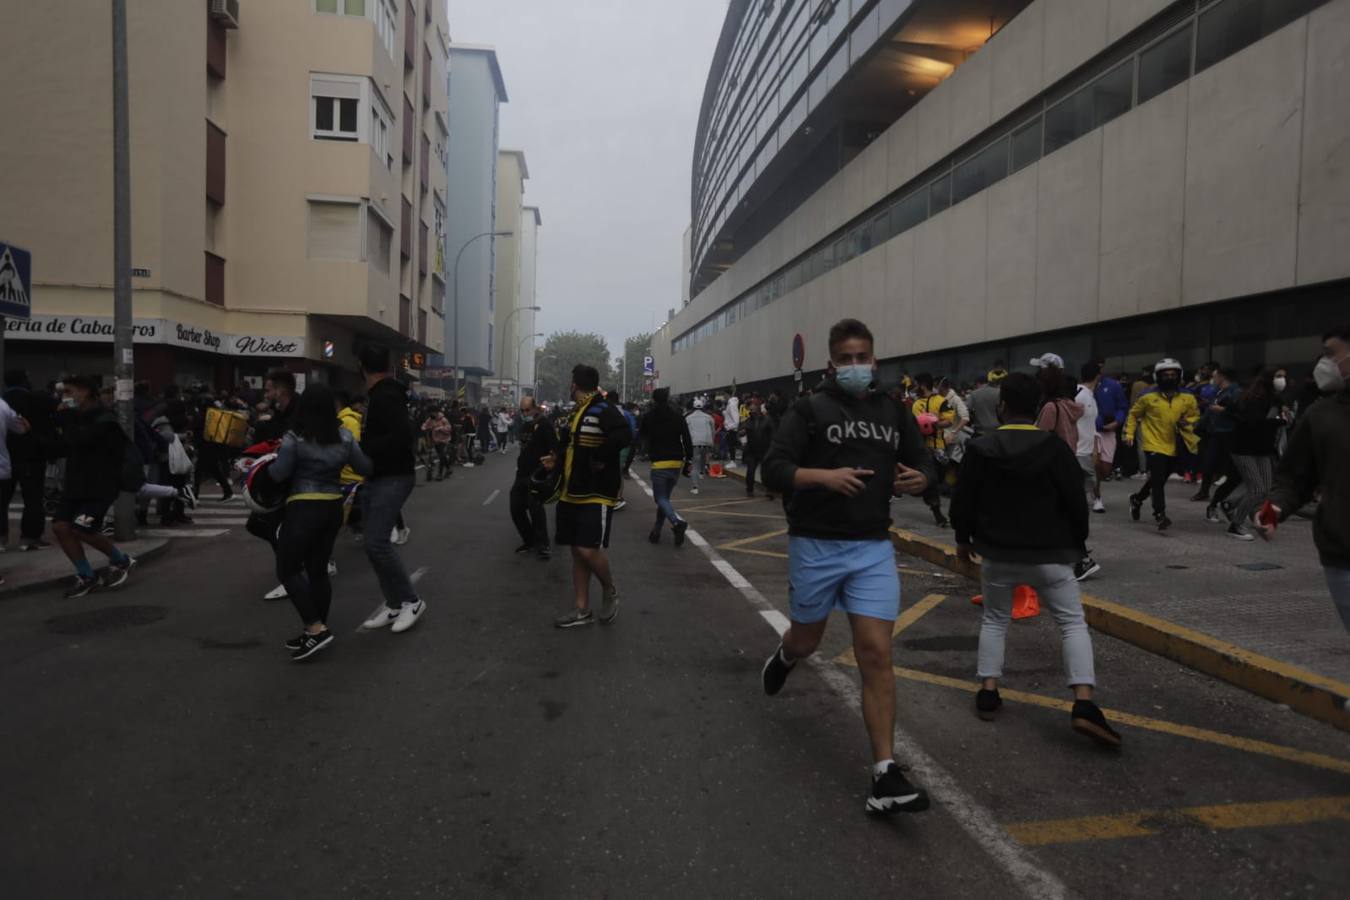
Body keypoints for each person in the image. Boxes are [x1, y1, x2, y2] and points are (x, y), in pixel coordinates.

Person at [759, 318, 936, 816]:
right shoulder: (809, 409)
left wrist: (922, 478)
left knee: (876, 654)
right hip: (815, 546)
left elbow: (927, 462)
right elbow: (774, 468)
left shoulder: (894, 411)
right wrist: (823, 477)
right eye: (847, 359)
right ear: (831, 364)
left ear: (875, 361)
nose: (856, 366)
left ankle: (884, 775)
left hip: (871, 548)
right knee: (807, 640)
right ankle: (787, 656)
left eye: (864, 358)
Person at [950, 373, 1121, 746]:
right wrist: (1078, 543)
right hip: (1052, 553)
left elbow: (963, 500)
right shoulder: (1055, 448)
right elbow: (1076, 502)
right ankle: (1084, 703)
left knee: (995, 619)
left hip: (997, 552)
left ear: (1002, 406)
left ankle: (989, 692)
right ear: (1037, 406)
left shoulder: (981, 448)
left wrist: (963, 539)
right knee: (1072, 624)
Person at [267, 383, 372, 661]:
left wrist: (265, 465)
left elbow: (279, 474)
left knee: (288, 568)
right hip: (333, 507)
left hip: (303, 506)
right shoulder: (345, 437)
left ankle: (315, 628)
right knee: (317, 570)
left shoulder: (295, 437)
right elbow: (364, 468)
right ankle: (316, 628)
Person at [1259, 326, 1350, 629]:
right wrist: (1272, 512)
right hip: (1343, 554)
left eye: (1331, 353)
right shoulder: (1322, 414)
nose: (1324, 363)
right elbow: (1293, 477)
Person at [543, 364, 631, 628]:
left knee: (587, 549)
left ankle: (610, 589)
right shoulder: (576, 412)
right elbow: (571, 446)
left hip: (596, 492)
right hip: (571, 492)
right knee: (576, 552)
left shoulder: (603, 409)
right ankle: (582, 609)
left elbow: (624, 435)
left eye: (571, 382)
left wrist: (599, 457)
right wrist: (556, 461)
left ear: (574, 385)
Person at [356, 344, 427, 634]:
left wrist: (366, 448)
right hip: (380, 475)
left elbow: (402, 434)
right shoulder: (382, 395)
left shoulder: (385, 396)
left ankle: (411, 600)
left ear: (362, 368)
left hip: (394, 476)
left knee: (376, 542)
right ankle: (393, 603)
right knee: (373, 545)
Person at [49, 376, 137, 598]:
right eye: (63, 392)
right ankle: (87, 575)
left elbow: (82, 440)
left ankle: (121, 560)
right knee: (61, 527)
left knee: (83, 529)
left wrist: (64, 419)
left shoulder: (105, 420)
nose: (65, 397)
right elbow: (63, 446)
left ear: (86, 392)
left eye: (69, 391)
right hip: (75, 485)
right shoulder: (75, 418)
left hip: (100, 486)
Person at [1124, 359, 1199, 531]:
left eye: (1173, 375)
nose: (1169, 378)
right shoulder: (1147, 396)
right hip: (1154, 443)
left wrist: (1187, 422)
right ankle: (1160, 514)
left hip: (1176, 444)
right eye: (1165, 375)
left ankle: (1137, 499)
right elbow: (1133, 415)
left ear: (1179, 376)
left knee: (1159, 479)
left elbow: (1195, 416)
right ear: (1157, 377)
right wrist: (1128, 434)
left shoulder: (1188, 396)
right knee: (1157, 480)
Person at [1221, 371, 1280, 541]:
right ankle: (1235, 525)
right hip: (1244, 450)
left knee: (1265, 487)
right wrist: (1278, 421)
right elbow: (1255, 424)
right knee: (1257, 488)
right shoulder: (1251, 401)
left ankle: (1230, 504)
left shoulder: (1270, 400)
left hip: (1262, 450)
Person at [1, 369, 53, 551]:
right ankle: (30, 537)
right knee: (33, 498)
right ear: (24, 381)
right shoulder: (36, 400)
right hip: (32, 456)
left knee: (1, 500)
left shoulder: (3, 401)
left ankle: (2, 538)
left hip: (6, 458)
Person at [639, 387, 693, 546]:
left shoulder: (649, 417)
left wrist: (644, 451)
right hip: (676, 462)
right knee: (665, 499)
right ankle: (656, 531)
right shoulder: (678, 417)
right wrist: (688, 460)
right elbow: (687, 439)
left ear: (654, 400)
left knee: (660, 498)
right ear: (668, 399)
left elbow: (641, 437)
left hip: (660, 462)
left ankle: (677, 523)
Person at [510, 396, 557, 560]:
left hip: (538, 474)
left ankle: (543, 544)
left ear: (536, 408)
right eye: (522, 410)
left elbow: (554, 449)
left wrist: (551, 463)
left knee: (535, 507)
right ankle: (529, 540)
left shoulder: (545, 425)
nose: (525, 413)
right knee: (515, 507)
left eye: (527, 410)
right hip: (522, 473)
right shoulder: (525, 426)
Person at [910, 373, 952, 527]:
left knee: (939, 479)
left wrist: (934, 424)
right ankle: (937, 512)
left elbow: (949, 420)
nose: (915, 388)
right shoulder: (916, 404)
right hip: (923, 449)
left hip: (939, 448)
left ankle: (929, 496)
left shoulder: (941, 401)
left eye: (916, 384)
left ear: (922, 385)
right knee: (932, 481)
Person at [1092, 360, 1127, 484]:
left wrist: (1117, 421)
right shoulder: (1084, 388)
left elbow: (1122, 407)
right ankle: (1097, 497)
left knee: (1104, 470)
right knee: (1093, 466)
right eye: (1097, 367)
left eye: (1101, 367)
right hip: (1090, 431)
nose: (1099, 371)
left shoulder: (1113, 385)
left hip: (1108, 430)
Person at [740, 396, 775, 499]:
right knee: (750, 470)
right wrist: (742, 436)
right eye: (750, 409)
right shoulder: (747, 421)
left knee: (766, 471)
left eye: (753, 408)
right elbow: (741, 433)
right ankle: (749, 490)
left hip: (765, 449)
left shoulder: (767, 420)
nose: (752, 411)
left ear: (758, 408)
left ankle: (769, 490)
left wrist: (773, 447)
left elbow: (773, 434)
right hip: (752, 450)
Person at [684, 398, 715, 495]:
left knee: (694, 465)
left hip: (694, 443)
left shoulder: (688, 418)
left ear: (693, 407)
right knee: (703, 459)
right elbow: (713, 431)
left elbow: (686, 433)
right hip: (706, 442)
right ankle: (702, 472)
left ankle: (695, 487)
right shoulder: (709, 417)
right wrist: (711, 441)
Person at [967, 372, 1002, 438]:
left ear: (978, 383)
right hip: (997, 431)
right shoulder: (998, 392)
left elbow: (967, 410)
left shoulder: (974, 394)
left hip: (980, 432)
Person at [422, 406, 453, 480]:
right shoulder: (430, 419)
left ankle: (440, 474)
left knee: (442, 456)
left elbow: (449, 428)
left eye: (431, 413)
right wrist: (425, 428)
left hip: (444, 440)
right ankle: (448, 469)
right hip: (436, 440)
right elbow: (424, 425)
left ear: (436, 412)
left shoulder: (443, 419)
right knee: (441, 456)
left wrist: (440, 428)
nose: (430, 414)